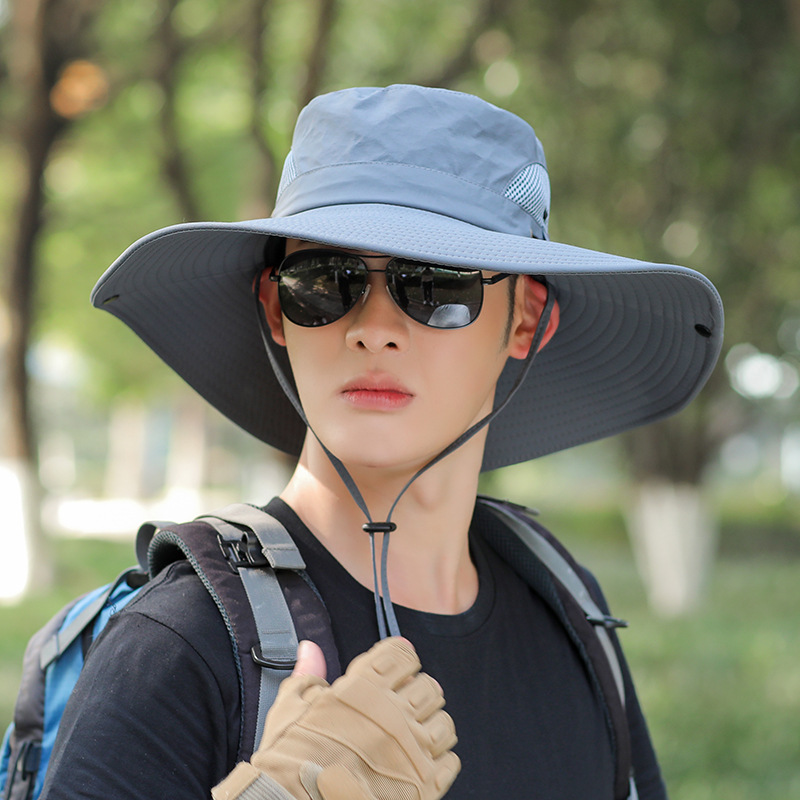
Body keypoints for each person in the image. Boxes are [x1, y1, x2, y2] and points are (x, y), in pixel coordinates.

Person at [41, 85, 722, 800]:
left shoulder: (570, 612)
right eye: (323, 282)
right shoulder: (179, 644)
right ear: (275, 308)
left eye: (435, 285)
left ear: (526, 319)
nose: (374, 329)